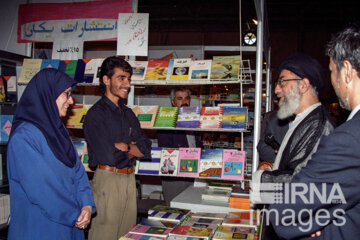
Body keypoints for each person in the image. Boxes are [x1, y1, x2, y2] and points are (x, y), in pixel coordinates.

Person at [268, 23, 360, 239]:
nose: (276, 89)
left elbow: (286, 211)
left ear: (346, 70)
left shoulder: (342, 136)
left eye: (332, 71)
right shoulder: (299, 121)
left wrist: (312, 219)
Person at [7, 68, 95, 239]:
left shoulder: (58, 131)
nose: (71, 101)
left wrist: (86, 205)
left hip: (71, 222)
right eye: (66, 94)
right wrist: (76, 213)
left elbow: (78, 172)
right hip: (41, 226)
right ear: (47, 95)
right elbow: (43, 189)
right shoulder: (24, 138)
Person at [84, 56, 151, 240]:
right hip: (108, 181)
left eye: (128, 79)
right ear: (106, 80)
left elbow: (145, 148)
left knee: (127, 235)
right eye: (121, 78)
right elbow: (108, 156)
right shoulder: (95, 115)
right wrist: (132, 149)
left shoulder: (128, 114)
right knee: (103, 235)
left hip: (129, 179)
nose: (127, 84)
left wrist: (125, 147)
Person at [252, 52, 335, 187]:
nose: (277, 90)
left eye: (282, 82)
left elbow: (303, 183)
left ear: (303, 85)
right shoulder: (305, 119)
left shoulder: (318, 125)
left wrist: (261, 179)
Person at [157, 87, 202, 206]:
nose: (184, 102)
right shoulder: (166, 120)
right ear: (173, 102)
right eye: (180, 98)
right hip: (174, 175)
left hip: (194, 172)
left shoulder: (194, 118)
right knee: (175, 210)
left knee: (193, 209)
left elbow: (198, 144)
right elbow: (165, 147)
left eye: (187, 98)